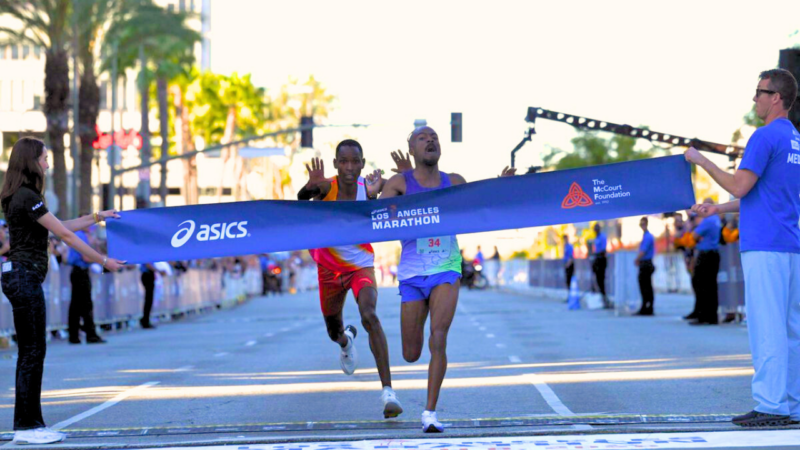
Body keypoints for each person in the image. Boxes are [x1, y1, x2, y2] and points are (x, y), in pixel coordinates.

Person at [380, 126, 515, 432]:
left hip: (446, 268)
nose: (431, 140)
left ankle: (430, 413)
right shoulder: (400, 183)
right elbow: (375, 216)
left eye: (434, 137)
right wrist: (382, 189)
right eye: (422, 138)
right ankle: (425, 397)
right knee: (411, 353)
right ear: (412, 150)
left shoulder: (454, 182)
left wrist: (502, 186)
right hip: (413, 274)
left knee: (438, 338)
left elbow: (480, 199)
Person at [684, 68, 799, 427]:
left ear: (775, 97)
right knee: (791, 329)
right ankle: (792, 405)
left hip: (765, 245)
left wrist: (701, 161)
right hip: (791, 245)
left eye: (759, 91)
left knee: (766, 326)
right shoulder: (795, 139)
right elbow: (765, 194)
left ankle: (770, 405)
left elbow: (739, 186)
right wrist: (716, 209)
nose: (755, 98)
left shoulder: (763, 137)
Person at [0, 137, 125, 445]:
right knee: (32, 352)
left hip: (20, 277)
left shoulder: (21, 195)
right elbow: (66, 235)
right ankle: (27, 428)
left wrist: (98, 217)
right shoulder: (27, 195)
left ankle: (31, 424)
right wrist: (103, 260)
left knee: (32, 351)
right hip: (23, 277)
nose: (48, 162)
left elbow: (60, 225)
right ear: (32, 161)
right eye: (44, 157)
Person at [298, 139, 403, 419]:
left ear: (361, 163)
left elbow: (384, 212)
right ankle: (346, 342)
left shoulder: (366, 191)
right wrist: (309, 187)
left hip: (360, 267)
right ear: (335, 164)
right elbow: (300, 201)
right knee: (333, 331)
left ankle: (388, 392)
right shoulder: (326, 187)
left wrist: (372, 198)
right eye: (343, 161)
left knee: (370, 315)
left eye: (354, 161)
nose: (349, 167)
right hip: (329, 271)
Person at [66, 224, 106, 344]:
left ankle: (74, 335)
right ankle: (90, 334)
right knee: (85, 304)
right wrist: (104, 260)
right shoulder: (80, 236)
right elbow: (86, 257)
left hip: (79, 271)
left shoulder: (83, 236)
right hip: (80, 271)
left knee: (76, 305)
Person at [689, 199, 722, 325]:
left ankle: (703, 315)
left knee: (701, 284)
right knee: (711, 286)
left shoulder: (708, 220)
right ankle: (712, 315)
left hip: (706, 254)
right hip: (714, 254)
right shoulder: (716, 220)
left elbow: (694, 236)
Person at [634, 217, 655, 316]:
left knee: (646, 286)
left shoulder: (648, 237)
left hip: (646, 263)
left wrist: (637, 259)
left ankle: (648, 307)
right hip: (644, 263)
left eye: (643, 224)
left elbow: (643, 251)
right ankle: (645, 306)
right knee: (644, 286)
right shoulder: (645, 236)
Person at [591, 223, 610, 308]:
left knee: (601, 279)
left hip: (601, 259)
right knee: (598, 279)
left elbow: (603, 249)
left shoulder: (602, 237)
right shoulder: (596, 238)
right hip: (597, 259)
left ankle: (605, 298)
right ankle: (602, 297)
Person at [140, 263, 161, 329]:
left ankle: (146, 319)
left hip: (149, 274)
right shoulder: (147, 255)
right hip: (147, 275)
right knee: (148, 300)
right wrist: (157, 270)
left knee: (149, 300)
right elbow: (148, 264)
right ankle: (145, 320)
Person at [563, 235, 574, 300]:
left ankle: (570, 296)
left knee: (569, 281)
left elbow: (571, 257)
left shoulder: (569, 246)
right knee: (567, 281)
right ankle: (568, 295)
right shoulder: (565, 246)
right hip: (566, 265)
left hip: (569, 265)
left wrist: (567, 264)